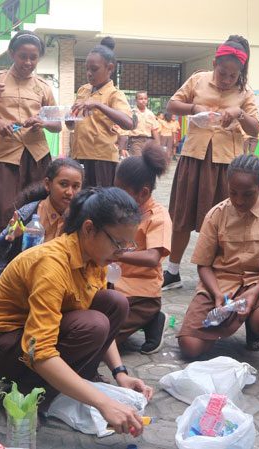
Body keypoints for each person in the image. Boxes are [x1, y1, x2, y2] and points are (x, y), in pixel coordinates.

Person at [0, 187, 153, 436]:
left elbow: (100, 318)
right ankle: (30, 392)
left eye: (127, 245)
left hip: (31, 339)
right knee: (93, 324)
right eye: (117, 244)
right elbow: (39, 352)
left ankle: (71, 384)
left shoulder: (95, 258)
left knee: (115, 303)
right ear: (89, 229)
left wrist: (120, 373)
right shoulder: (51, 265)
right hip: (1, 347)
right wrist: (103, 402)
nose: (121, 253)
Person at [162, 35, 259, 291]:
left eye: (232, 75)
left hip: (226, 165)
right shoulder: (197, 79)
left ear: (241, 73)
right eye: (222, 73)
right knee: (182, 216)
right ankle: (172, 271)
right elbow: (172, 104)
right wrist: (194, 109)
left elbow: (256, 127)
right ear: (214, 63)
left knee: (223, 221)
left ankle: (218, 273)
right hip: (194, 157)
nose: (226, 79)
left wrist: (239, 113)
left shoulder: (244, 92)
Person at [177, 154, 259, 358]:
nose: (239, 201)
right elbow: (203, 266)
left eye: (248, 194)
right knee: (189, 347)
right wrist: (217, 294)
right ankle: (219, 328)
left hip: (258, 283)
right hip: (220, 285)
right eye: (233, 192)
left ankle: (255, 329)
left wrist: (254, 293)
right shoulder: (215, 215)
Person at [0, 30, 61, 285]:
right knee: (3, 213)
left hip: (37, 157)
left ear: (39, 58)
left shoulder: (43, 86)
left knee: (39, 213)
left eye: (33, 57)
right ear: (12, 54)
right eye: (23, 56)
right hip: (6, 156)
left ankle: (33, 265)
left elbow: (58, 124)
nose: (27, 62)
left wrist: (44, 121)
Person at [0, 158, 83, 296]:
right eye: (63, 184)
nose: (69, 192)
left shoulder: (81, 219)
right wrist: (8, 239)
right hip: (21, 287)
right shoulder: (27, 214)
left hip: (60, 287)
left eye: (76, 186)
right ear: (48, 184)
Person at [113, 142, 172, 354]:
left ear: (143, 193)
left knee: (101, 338)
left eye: (123, 192)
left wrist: (117, 254)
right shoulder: (121, 209)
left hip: (142, 292)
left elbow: (152, 258)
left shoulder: (157, 217)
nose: (117, 197)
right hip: (114, 284)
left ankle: (152, 317)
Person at [67, 37, 135, 187]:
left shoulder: (114, 94)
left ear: (109, 68)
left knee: (99, 203)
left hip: (102, 160)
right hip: (79, 156)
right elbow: (73, 125)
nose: (89, 73)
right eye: (87, 69)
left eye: (94, 69)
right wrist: (69, 119)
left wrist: (98, 105)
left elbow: (128, 123)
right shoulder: (82, 90)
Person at [126, 92, 160, 156]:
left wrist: (158, 144)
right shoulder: (131, 113)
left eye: (145, 99)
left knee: (146, 159)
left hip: (147, 141)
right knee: (138, 158)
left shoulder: (150, 114)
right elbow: (126, 128)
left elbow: (154, 130)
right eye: (141, 99)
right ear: (135, 100)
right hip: (135, 140)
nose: (143, 101)